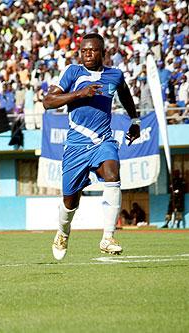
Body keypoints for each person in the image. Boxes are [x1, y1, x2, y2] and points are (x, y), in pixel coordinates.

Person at [43, 33, 141, 260]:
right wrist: (79, 93)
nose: (88, 54)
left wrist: (134, 121)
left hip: (102, 141)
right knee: (70, 201)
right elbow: (48, 102)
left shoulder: (114, 75)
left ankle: (108, 237)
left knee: (112, 172)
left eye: (93, 50)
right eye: (84, 50)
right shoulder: (73, 73)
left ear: (103, 53)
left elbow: (125, 94)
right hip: (76, 146)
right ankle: (63, 232)